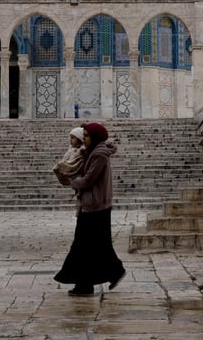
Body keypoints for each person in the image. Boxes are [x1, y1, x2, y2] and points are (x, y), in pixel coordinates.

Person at [53, 122, 126, 296]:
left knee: (82, 246)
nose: (83, 138)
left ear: (95, 137)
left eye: (86, 135)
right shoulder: (91, 152)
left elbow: (88, 180)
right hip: (93, 205)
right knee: (99, 245)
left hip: (96, 206)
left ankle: (84, 285)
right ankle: (113, 272)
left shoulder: (99, 155)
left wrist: (72, 182)